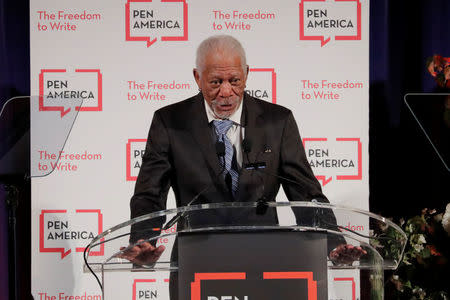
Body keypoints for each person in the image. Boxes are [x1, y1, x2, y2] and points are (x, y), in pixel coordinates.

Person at [121, 35, 365, 269]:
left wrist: (333, 245)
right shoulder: (170, 122)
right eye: (216, 82)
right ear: (197, 77)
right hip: (196, 261)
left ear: (247, 74)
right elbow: (150, 195)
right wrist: (142, 243)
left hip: (264, 260)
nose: (226, 92)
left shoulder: (277, 121)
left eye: (234, 81)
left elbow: (305, 192)